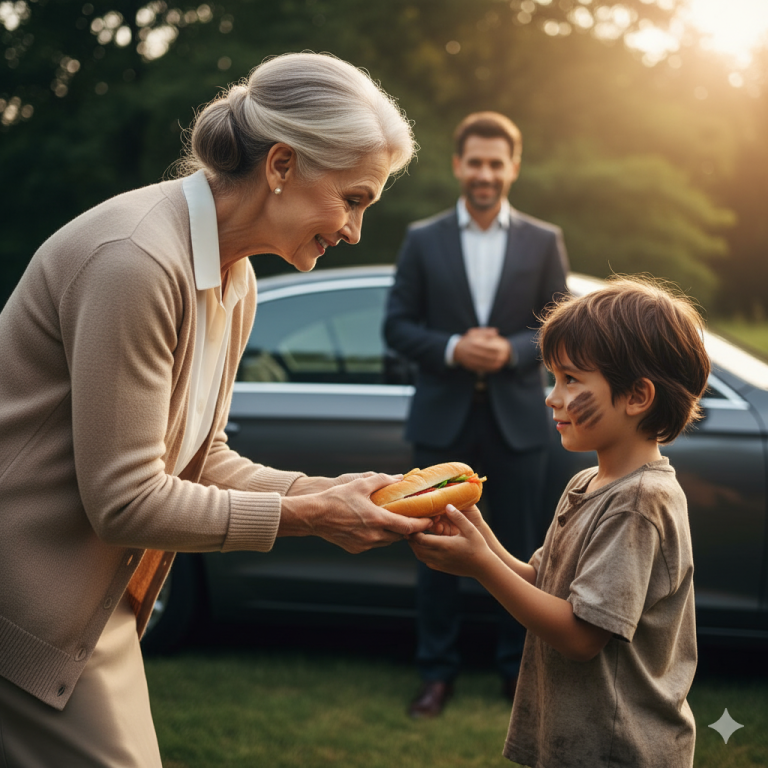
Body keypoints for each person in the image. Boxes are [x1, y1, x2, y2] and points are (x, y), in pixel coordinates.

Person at [0, 52, 433, 766]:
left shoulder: (237, 281)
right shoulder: (135, 260)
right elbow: (125, 501)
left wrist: (326, 491)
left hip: (87, 608)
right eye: (353, 198)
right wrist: (310, 517)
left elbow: (202, 456)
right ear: (283, 165)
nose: (355, 230)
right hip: (23, 611)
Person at [409, 277, 709, 767]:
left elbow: (581, 637)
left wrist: (483, 565)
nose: (552, 397)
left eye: (571, 380)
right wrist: (480, 541)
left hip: (619, 749)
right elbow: (545, 587)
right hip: (574, 744)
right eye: (554, 378)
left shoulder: (639, 502)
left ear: (637, 396)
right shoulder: (587, 482)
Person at [383, 111, 569, 717]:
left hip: (520, 423)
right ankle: (436, 674)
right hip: (443, 421)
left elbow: (557, 330)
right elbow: (396, 327)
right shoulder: (422, 238)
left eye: (497, 162)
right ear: (458, 165)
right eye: (476, 162)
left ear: (513, 167)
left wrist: (513, 350)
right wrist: (452, 347)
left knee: (519, 551)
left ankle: (516, 672)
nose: (485, 173)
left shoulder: (544, 240)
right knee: (434, 550)